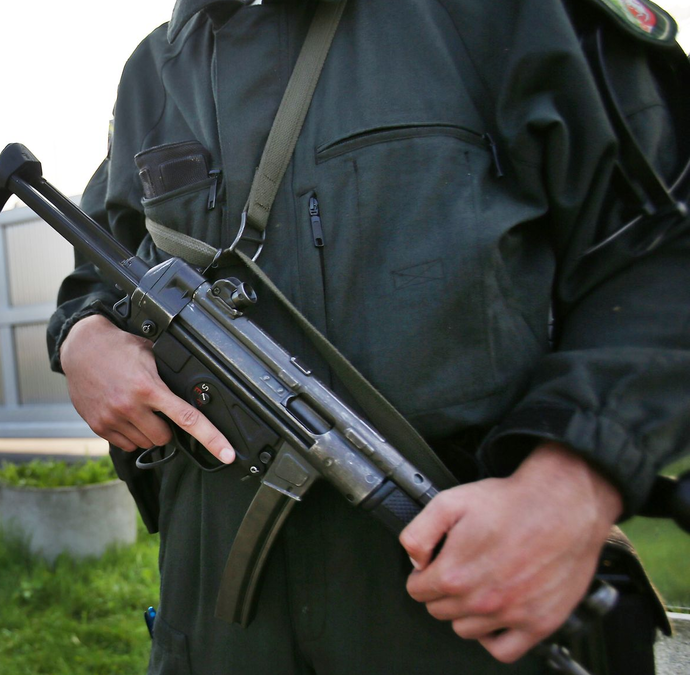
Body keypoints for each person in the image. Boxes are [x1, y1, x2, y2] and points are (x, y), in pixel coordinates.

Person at [46, 0, 689, 673]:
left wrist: (569, 485)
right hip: (217, 617)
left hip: (462, 593)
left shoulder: (510, 14)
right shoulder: (156, 69)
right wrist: (83, 336)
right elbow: (103, 259)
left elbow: (666, 245)